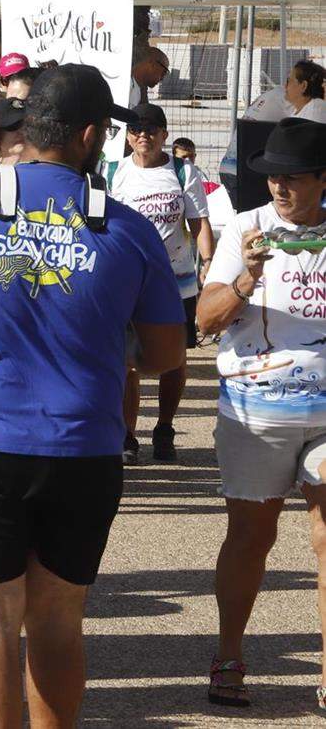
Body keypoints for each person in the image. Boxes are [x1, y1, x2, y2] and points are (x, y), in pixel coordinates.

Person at [0, 63, 185, 728]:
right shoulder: (130, 229)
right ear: (89, 135)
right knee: (57, 619)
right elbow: (166, 356)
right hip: (82, 442)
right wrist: (106, 344)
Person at [198, 116, 326, 710]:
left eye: (292, 177)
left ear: (322, 179)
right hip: (258, 410)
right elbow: (205, 318)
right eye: (273, 176)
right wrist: (247, 278)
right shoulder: (245, 228)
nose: (279, 186)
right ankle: (229, 654)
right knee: (252, 537)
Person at [106, 103, 213, 464]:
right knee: (126, 362)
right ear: (128, 136)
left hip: (176, 282)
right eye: (136, 130)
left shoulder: (183, 172)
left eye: (151, 130)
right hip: (128, 282)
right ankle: (127, 434)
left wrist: (208, 263)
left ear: (164, 135)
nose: (143, 136)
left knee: (174, 359)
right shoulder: (114, 172)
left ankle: (164, 428)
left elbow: (199, 222)